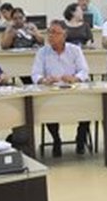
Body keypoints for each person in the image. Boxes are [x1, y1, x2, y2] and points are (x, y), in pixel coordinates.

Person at [30, 20, 90, 157]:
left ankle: (81, 138)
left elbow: (84, 71)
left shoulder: (75, 50)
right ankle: (56, 139)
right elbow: (35, 74)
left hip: (74, 91)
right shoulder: (42, 52)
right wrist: (44, 80)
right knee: (47, 109)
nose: (51, 36)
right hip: (52, 92)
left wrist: (75, 78)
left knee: (89, 107)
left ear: (64, 35)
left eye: (55, 33)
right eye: (49, 32)